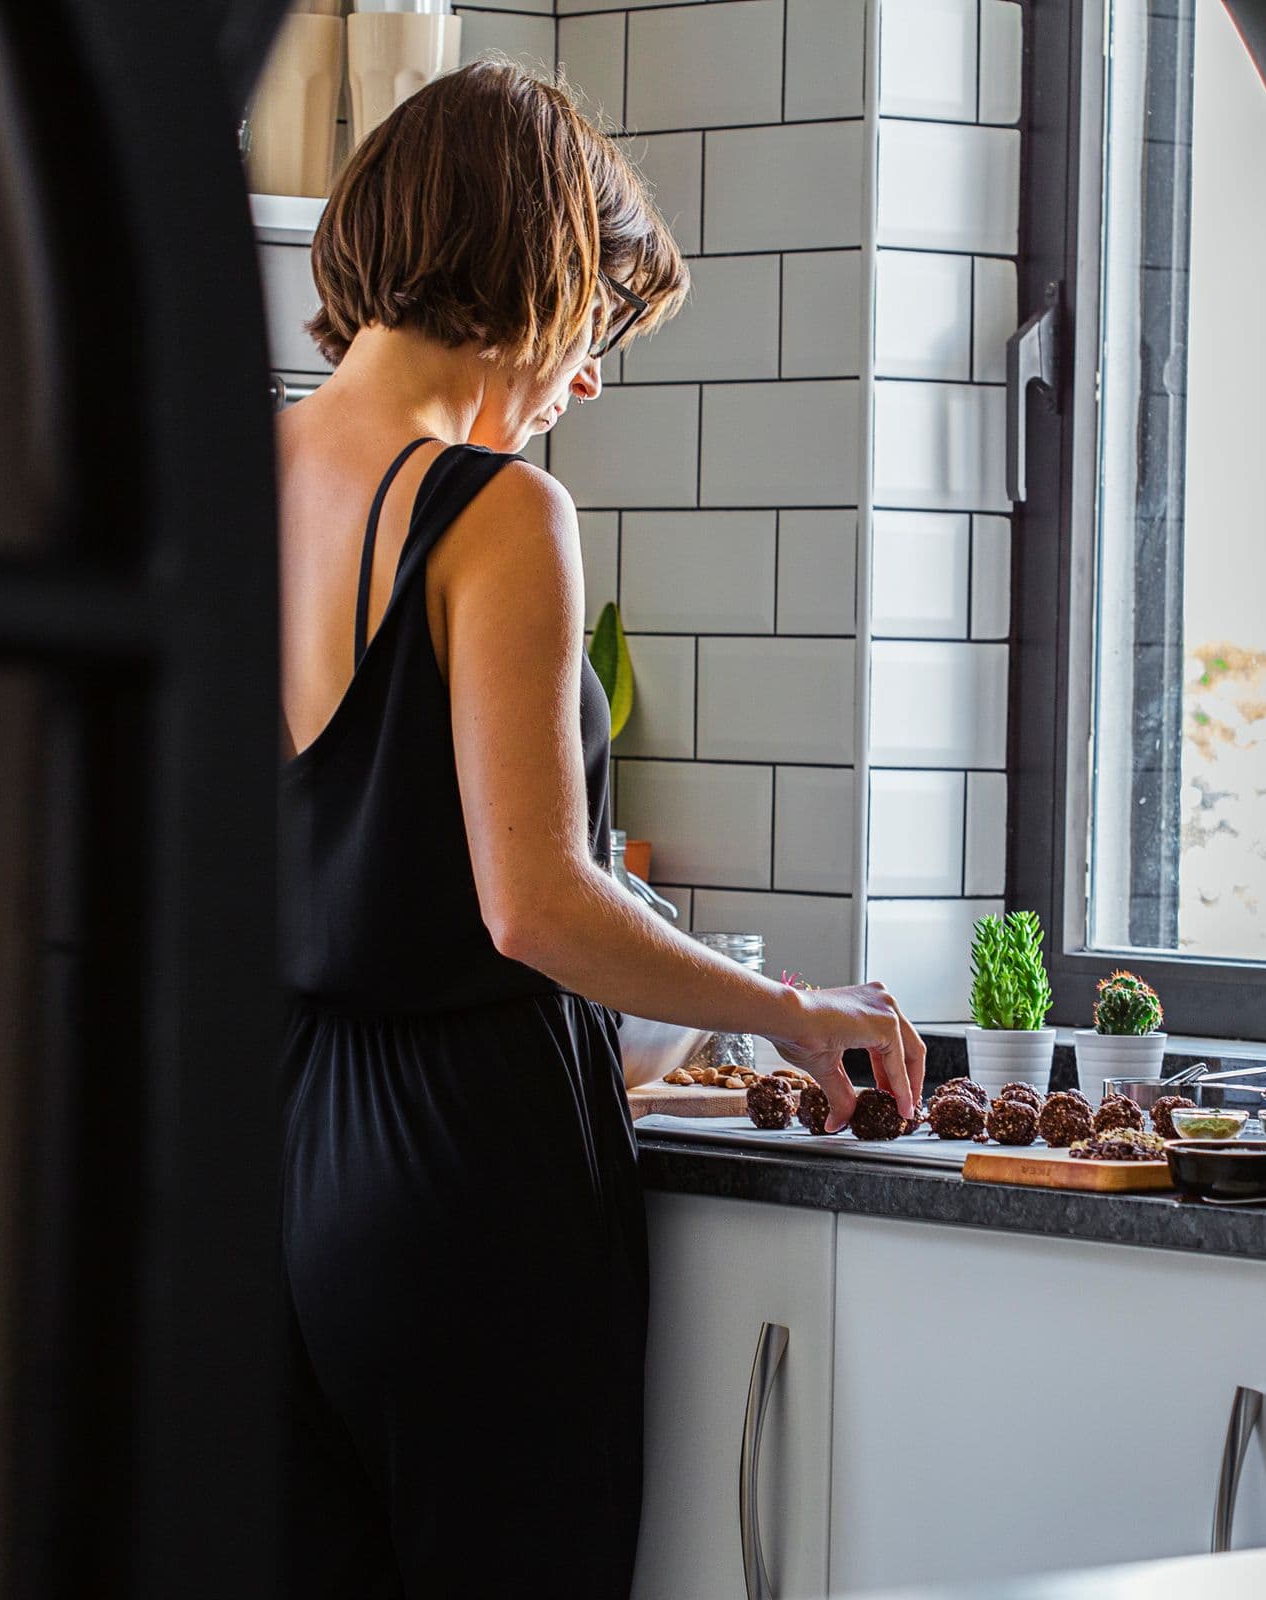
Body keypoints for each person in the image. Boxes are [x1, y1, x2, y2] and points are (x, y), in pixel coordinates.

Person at [275, 63, 924, 1596]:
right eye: (601, 318)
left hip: (284, 1144)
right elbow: (535, 907)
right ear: (535, 267)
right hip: (467, 1180)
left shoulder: (250, 478)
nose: (592, 374)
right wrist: (788, 1009)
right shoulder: (496, 510)